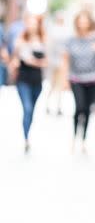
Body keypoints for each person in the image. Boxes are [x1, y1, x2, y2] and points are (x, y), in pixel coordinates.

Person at [61, 10, 95, 153]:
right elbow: (65, 59)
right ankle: (75, 136)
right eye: (80, 21)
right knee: (79, 107)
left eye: (85, 21)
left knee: (88, 110)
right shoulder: (71, 39)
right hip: (76, 78)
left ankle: (83, 140)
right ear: (77, 23)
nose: (83, 24)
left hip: (93, 78)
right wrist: (65, 79)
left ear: (89, 22)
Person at [11, 14, 47, 153]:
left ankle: (28, 132)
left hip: (37, 81)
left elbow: (46, 61)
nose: (32, 26)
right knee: (27, 108)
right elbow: (15, 59)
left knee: (32, 110)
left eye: (34, 23)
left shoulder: (42, 41)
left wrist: (34, 61)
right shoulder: (20, 40)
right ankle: (25, 139)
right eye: (29, 23)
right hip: (23, 79)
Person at [46, 11, 70, 115]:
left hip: (61, 62)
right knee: (52, 85)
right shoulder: (53, 30)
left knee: (60, 85)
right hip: (53, 61)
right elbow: (49, 46)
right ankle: (47, 104)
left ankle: (59, 106)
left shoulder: (66, 31)